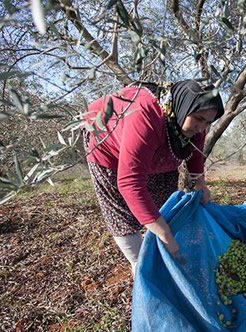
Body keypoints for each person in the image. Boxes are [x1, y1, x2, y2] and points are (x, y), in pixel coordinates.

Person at [81, 79, 225, 274]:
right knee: (122, 212)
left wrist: (200, 183)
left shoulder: (192, 116)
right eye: (199, 119)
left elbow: (194, 150)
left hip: (156, 145)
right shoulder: (145, 115)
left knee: (163, 202)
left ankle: (162, 251)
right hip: (107, 147)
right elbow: (129, 183)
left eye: (208, 122)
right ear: (185, 107)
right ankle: (140, 266)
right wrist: (165, 234)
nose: (202, 127)